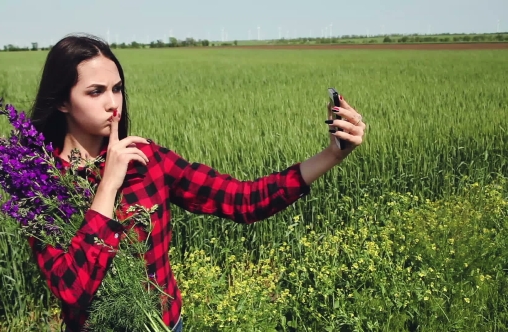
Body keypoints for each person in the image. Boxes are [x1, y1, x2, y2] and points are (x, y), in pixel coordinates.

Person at [27, 33, 365, 332]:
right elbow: (72, 288)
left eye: (117, 89)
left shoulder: (147, 160)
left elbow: (242, 200)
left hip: (165, 323)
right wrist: (108, 186)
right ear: (61, 101)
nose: (113, 104)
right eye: (96, 92)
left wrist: (331, 155)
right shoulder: (39, 186)